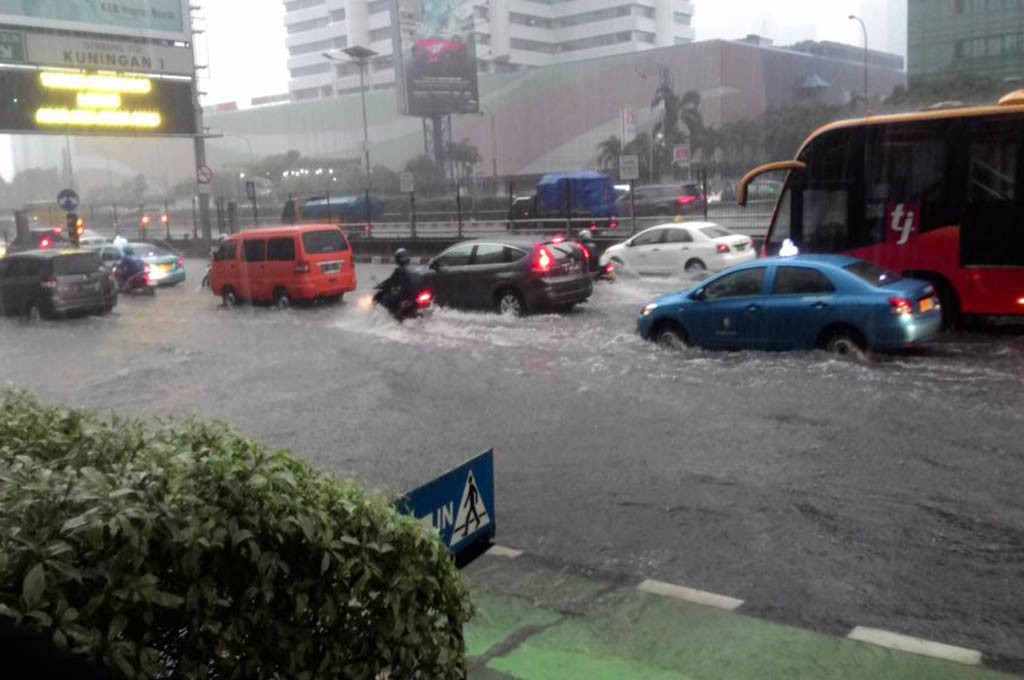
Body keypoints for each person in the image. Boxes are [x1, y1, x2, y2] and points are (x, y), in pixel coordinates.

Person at [376, 248, 419, 315]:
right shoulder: (414, 269)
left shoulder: (400, 270)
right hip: (414, 295)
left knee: (387, 299)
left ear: (397, 260)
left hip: (406, 296)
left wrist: (381, 285)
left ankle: (390, 316)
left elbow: (390, 281)